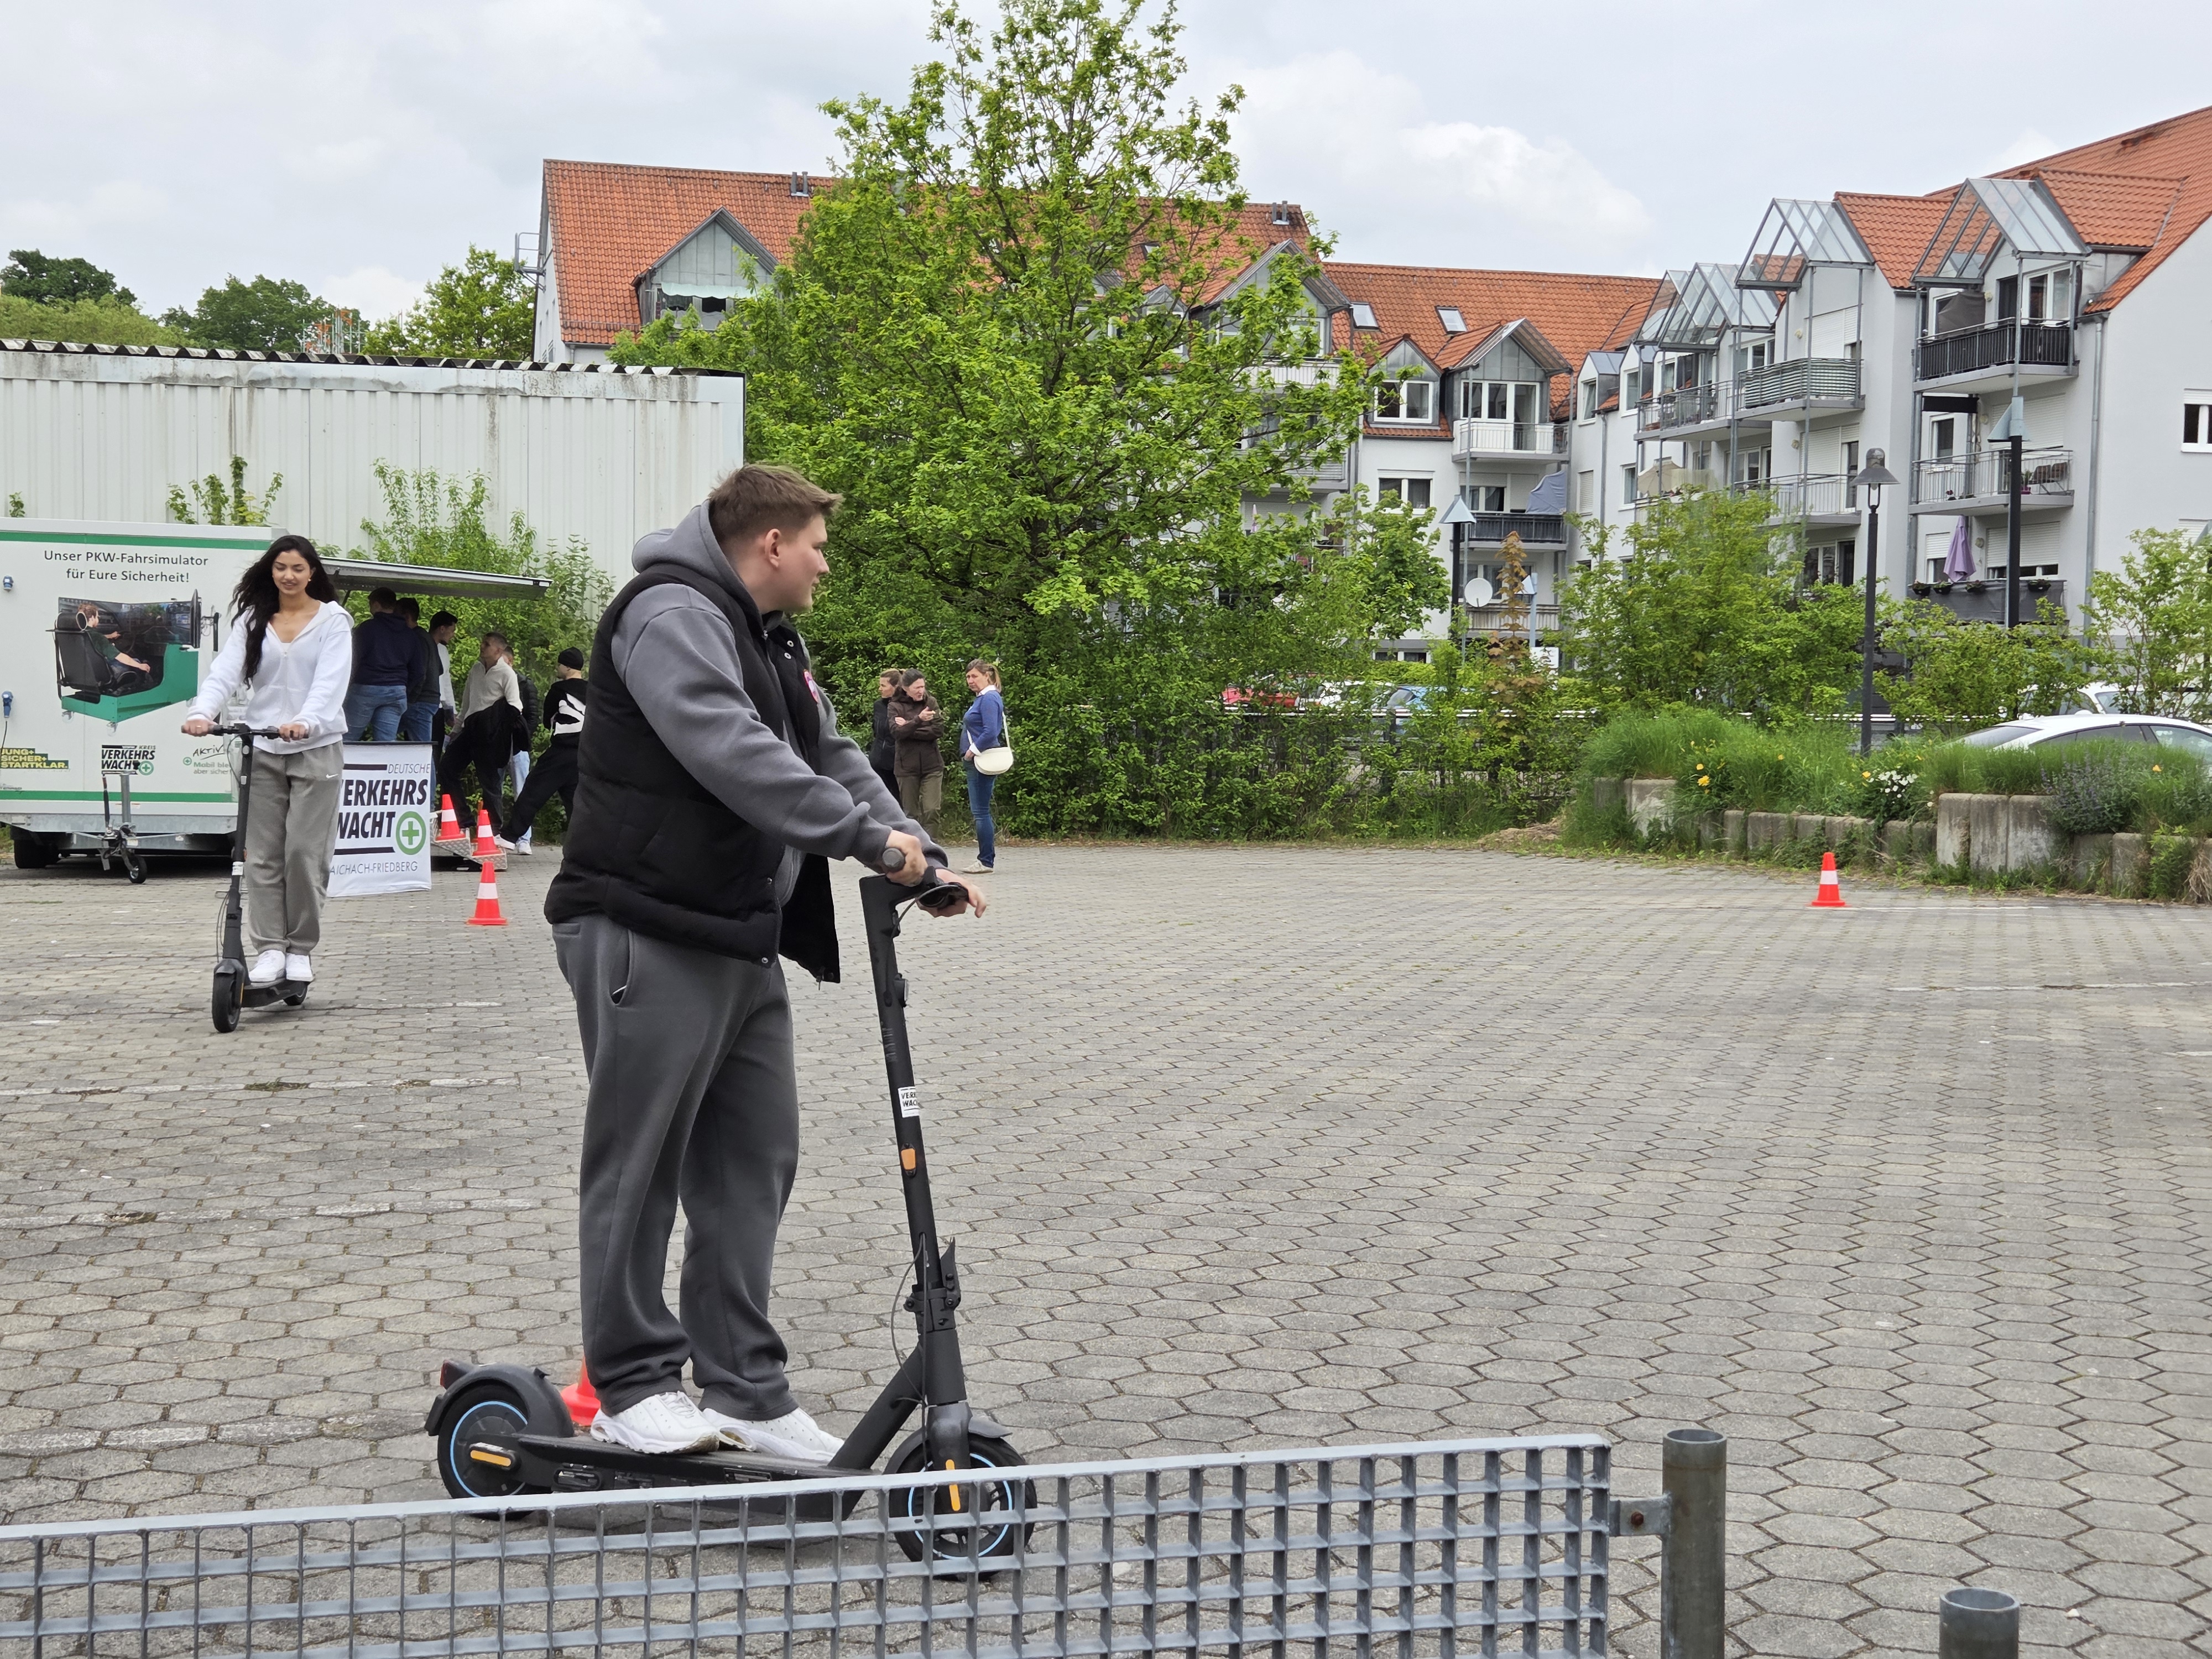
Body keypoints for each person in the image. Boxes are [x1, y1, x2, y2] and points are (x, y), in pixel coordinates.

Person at [544, 463, 984, 1460]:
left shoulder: (769, 636)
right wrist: (865, 844)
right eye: (817, 544)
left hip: (738, 932)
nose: (826, 562)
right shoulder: (669, 613)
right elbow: (732, 751)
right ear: (772, 545)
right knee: (641, 1162)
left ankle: (743, 1388)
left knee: (751, 1163)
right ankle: (629, 1383)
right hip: (644, 926)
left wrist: (915, 853)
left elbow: (828, 756)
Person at [180, 536, 351, 988]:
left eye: (297, 568)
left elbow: (331, 683)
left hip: (315, 747)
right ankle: (271, 949)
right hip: (264, 748)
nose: (288, 576)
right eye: (280, 568)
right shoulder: (254, 619)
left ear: (312, 572)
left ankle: (300, 949)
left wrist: (306, 721)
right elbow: (226, 670)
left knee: (303, 853)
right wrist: (202, 712)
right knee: (261, 857)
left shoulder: (333, 621)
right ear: (270, 571)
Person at [496, 646, 586, 854]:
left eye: (559, 664)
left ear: (567, 667)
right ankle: (582, 847)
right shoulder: (594, 690)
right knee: (576, 802)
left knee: (532, 792)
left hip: (561, 751)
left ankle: (510, 837)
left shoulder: (558, 690)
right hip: (584, 754)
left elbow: (548, 721)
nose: (557, 667)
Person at [440, 632, 526, 825]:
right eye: (483, 642)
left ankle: (493, 828)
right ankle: (464, 819)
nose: (482, 646)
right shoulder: (476, 669)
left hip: (489, 732)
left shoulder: (507, 674)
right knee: (447, 768)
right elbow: (467, 703)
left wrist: (498, 727)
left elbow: (516, 706)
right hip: (471, 727)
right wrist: (456, 730)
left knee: (489, 781)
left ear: (498, 650)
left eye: (486, 644)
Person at [345, 587, 422, 742]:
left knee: (347, 738)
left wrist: (347, 686)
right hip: (396, 692)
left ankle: (342, 767)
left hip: (366, 688)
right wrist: (404, 689)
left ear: (376, 605)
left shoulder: (367, 629)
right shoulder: (410, 635)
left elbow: (352, 661)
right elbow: (419, 671)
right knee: (386, 742)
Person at [958, 660, 1005, 874]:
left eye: (974, 676)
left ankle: (986, 860)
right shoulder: (982, 698)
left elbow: (991, 732)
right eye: (968, 677)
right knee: (980, 811)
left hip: (980, 761)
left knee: (981, 812)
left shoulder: (989, 698)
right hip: (976, 761)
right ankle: (986, 859)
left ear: (987, 675)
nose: (970, 680)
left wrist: (972, 751)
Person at [889, 670, 945, 824]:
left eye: (923, 687)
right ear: (906, 688)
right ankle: (915, 846)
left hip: (932, 765)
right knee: (911, 815)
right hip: (906, 767)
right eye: (917, 688)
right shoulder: (895, 706)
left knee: (931, 810)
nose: (921, 691)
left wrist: (908, 726)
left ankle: (932, 846)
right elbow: (897, 733)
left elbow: (938, 731)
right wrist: (919, 720)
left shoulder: (931, 703)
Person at [396, 598, 441, 743]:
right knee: (419, 748)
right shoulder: (426, 637)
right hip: (429, 699)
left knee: (422, 751)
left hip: (420, 701)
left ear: (406, 617)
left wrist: (410, 698)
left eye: (395, 616)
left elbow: (420, 672)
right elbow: (439, 669)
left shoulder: (416, 638)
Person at [427, 611, 460, 753]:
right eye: (452, 630)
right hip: (423, 705)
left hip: (439, 708)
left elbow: (446, 682)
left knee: (437, 748)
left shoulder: (443, 650)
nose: (453, 634)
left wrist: (450, 711)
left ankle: (434, 775)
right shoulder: (421, 645)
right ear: (442, 629)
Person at [868, 670, 902, 800]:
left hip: (896, 764)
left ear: (895, 688)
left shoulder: (904, 706)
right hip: (877, 761)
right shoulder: (878, 705)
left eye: (883, 686)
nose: (879, 689)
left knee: (896, 801)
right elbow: (876, 730)